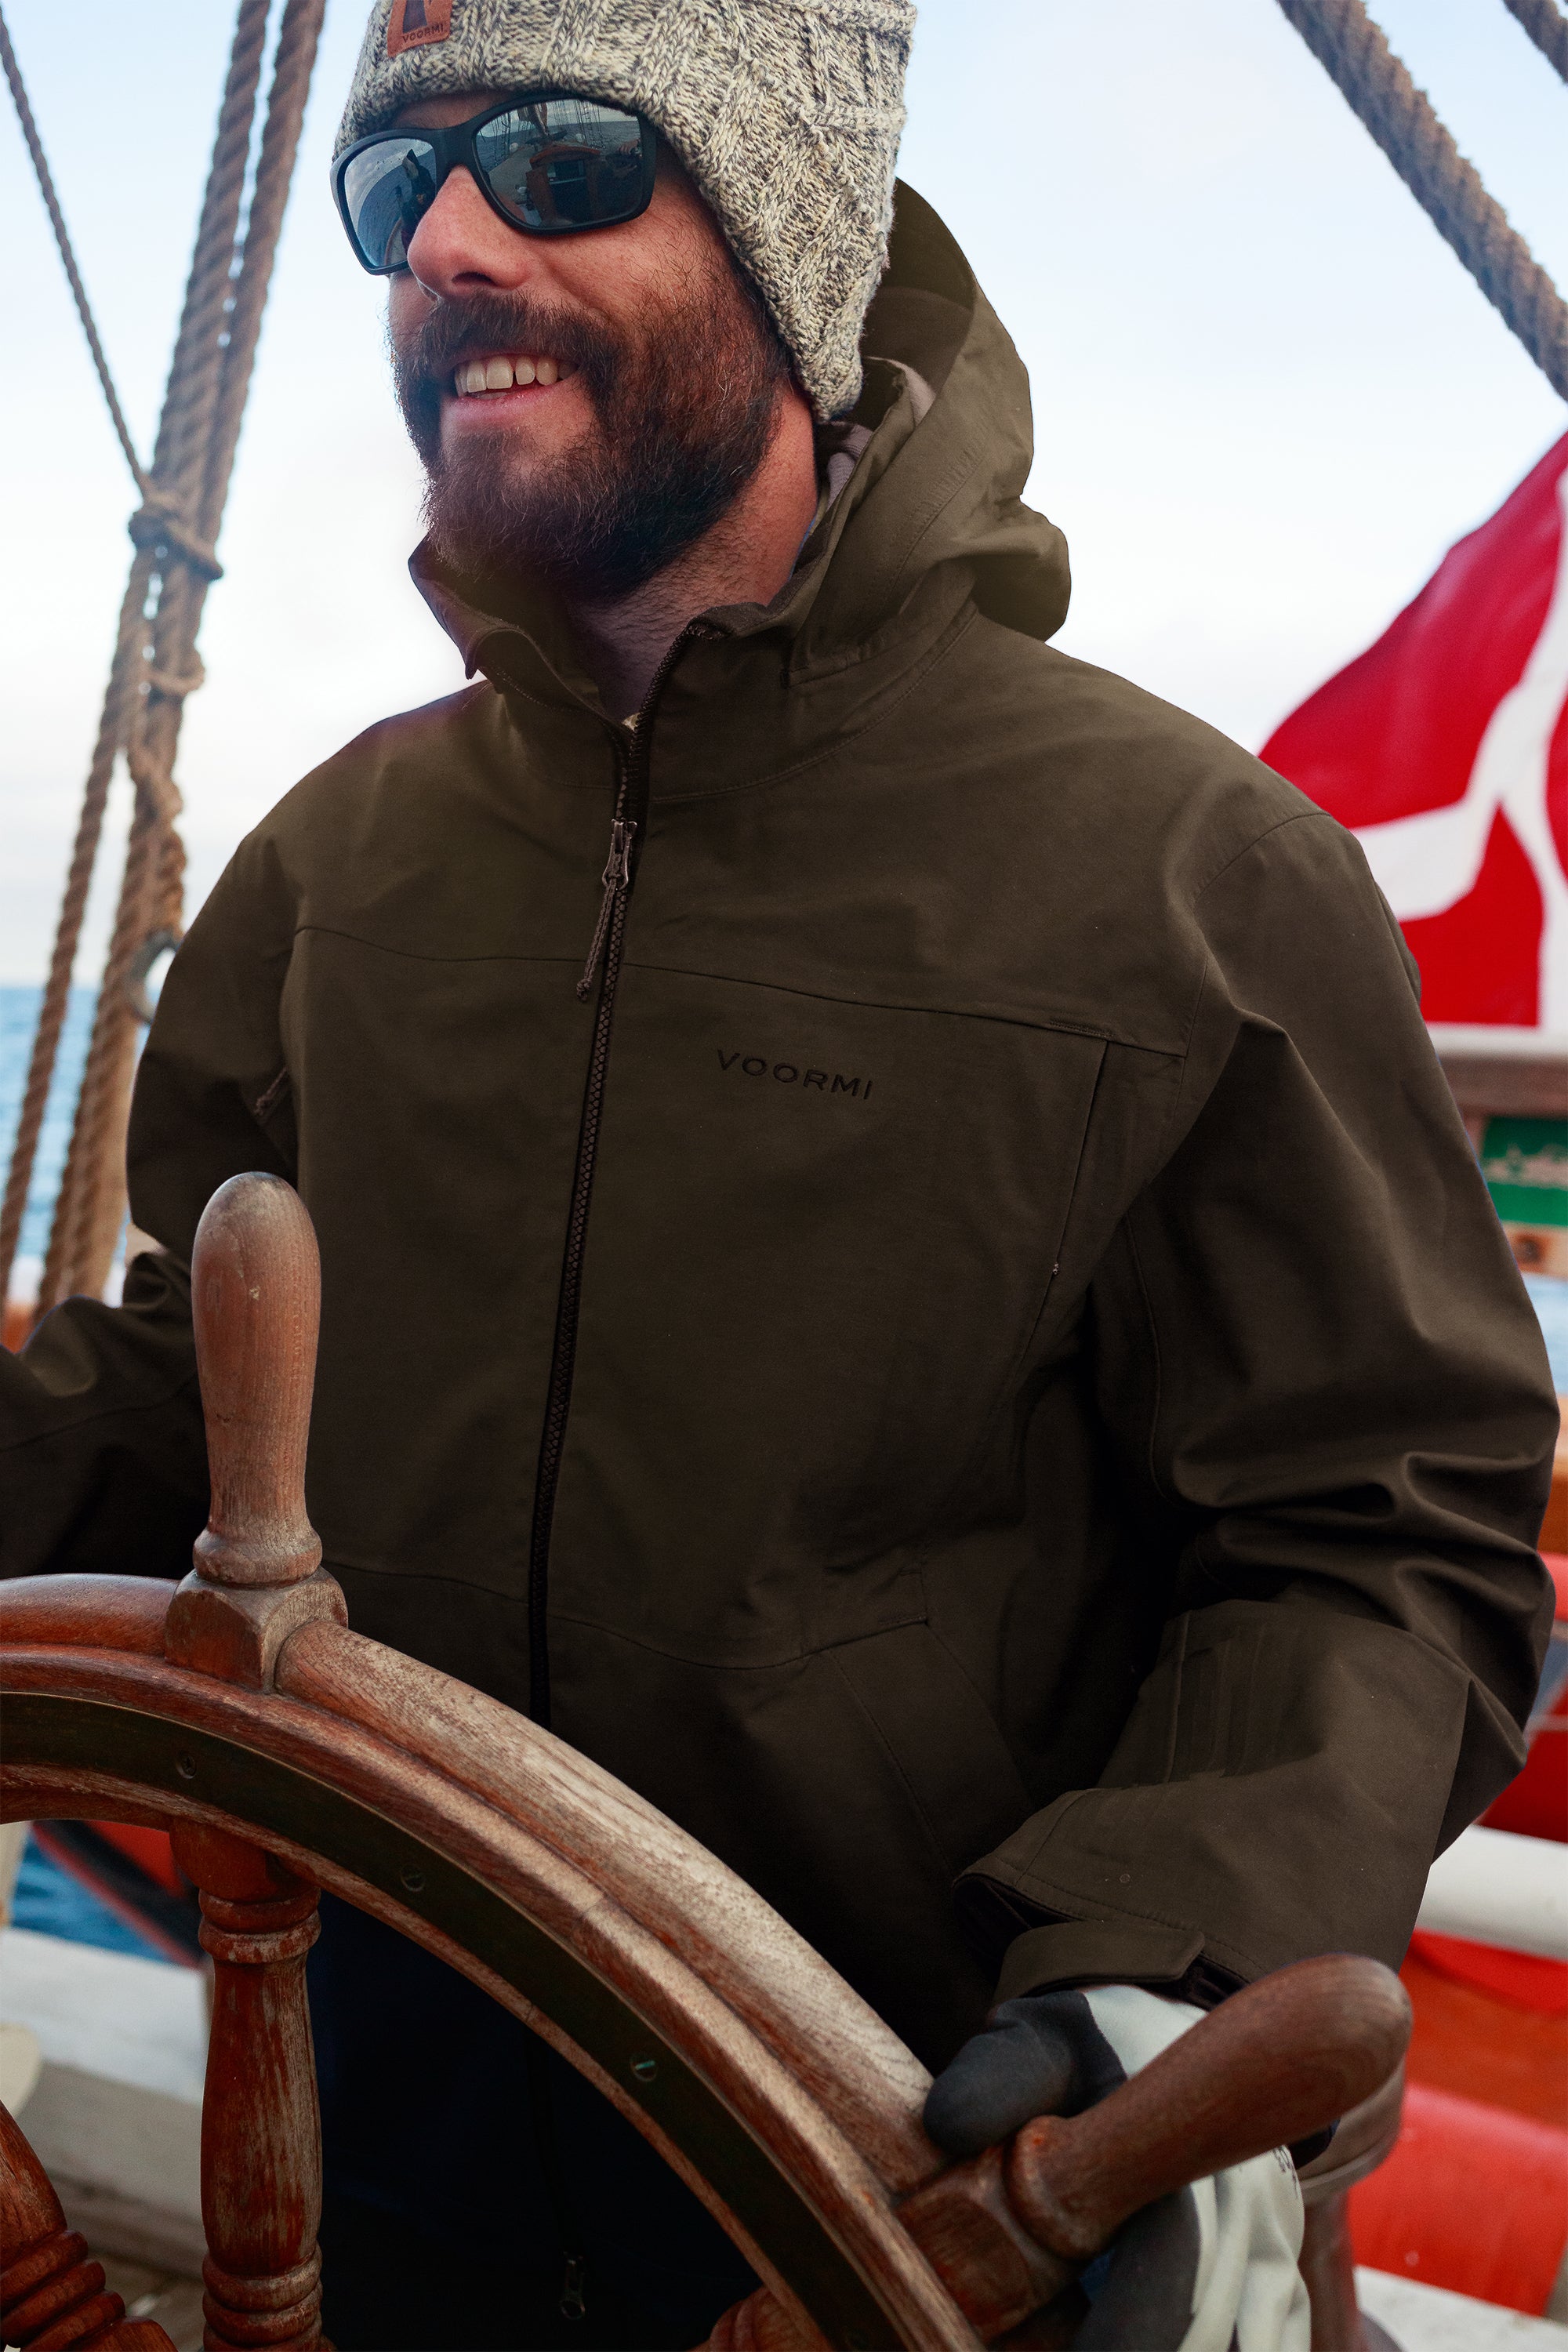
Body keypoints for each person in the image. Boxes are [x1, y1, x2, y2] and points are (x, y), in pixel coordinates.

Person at [3, 1, 1556, 2345]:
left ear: (790, 243)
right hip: (392, 2212)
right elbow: (180, 1412)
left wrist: (1156, 1984)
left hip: (923, 2226)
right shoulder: (337, 869)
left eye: (557, 160)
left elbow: (1379, 1529)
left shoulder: (1191, 878)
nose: (445, 241)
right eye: (397, 188)